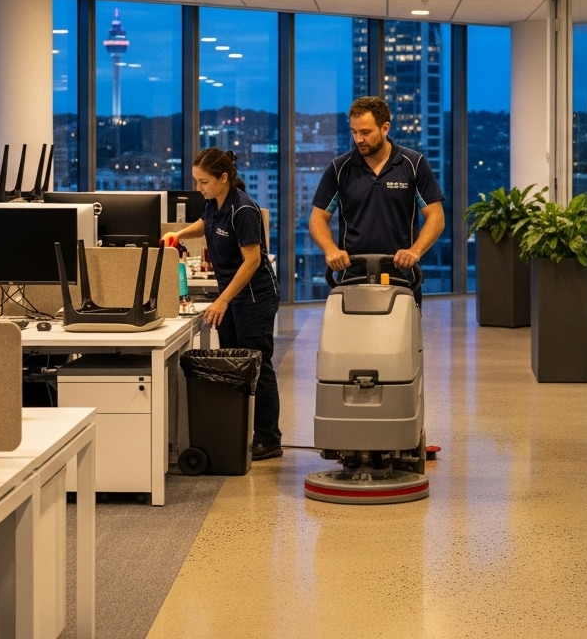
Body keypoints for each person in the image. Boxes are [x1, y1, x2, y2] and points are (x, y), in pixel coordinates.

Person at [164, 148, 284, 460]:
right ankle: (240, 430)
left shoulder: (242, 209)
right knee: (236, 364)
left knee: (257, 364)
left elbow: (252, 261)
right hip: (232, 295)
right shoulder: (214, 202)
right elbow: (204, 224)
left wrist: (222, 300)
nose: (199, 188)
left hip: (254, 297)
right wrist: (178, 234)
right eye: (196, 181)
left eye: (203, 182)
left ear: (224, 178)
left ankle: (269, 438)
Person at [309, 96, 445, 302]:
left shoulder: (414, 164)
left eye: (365, 132)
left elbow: (436, 216)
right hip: (352, 276)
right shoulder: (339, 168)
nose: (358, 139)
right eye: (354, 132)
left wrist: (415, 252)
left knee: (402, 335)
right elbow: (317, 218)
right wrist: (331, 251)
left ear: (385, 128)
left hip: (403, 276)